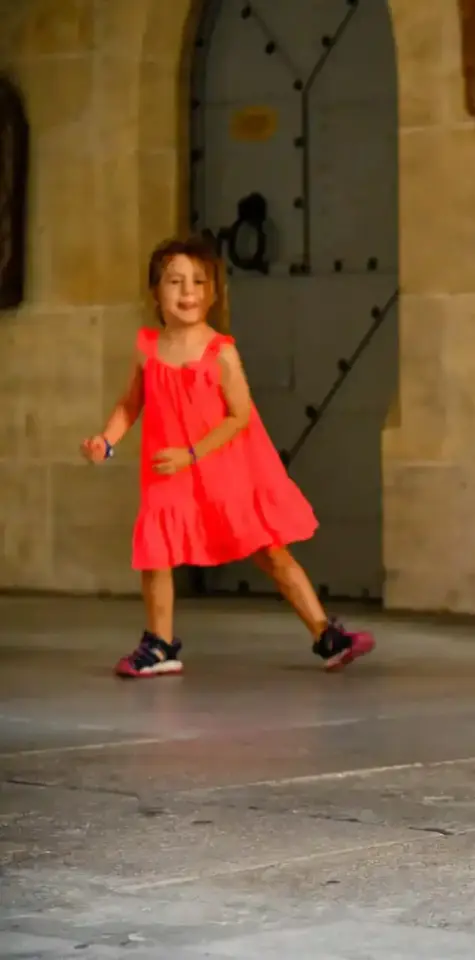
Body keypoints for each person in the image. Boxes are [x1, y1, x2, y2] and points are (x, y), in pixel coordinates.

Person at [80, 236, 375, 678]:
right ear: (155, 292)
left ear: (213, 292)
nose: (188, 292)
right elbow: (130, 404)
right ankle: (159, 644)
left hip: (221, 467)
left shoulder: (221, 352)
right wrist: (107, 439)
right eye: (175, 282)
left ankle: (325, 634)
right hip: (168, 469)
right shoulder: (147, 349)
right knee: (155, 554)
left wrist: (193, 454)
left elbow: (239, 416)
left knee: (270, 551)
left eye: (199, 282)